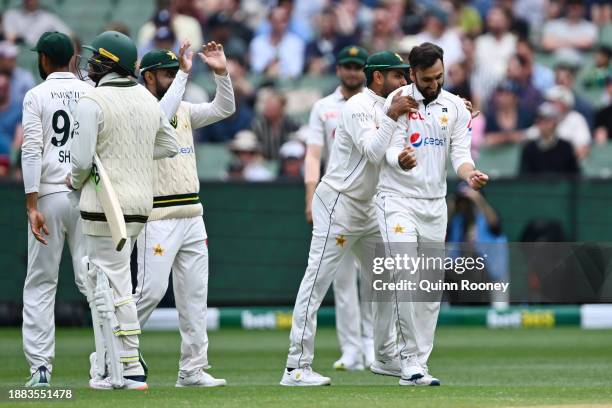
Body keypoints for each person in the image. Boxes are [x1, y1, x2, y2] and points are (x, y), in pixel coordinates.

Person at [281, 50, 416, 386]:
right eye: (398, 76)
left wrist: (401, 159)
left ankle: (384, 357)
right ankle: (295, 367)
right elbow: (371, 149)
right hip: (339, 203)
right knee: (316, 283)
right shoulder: (357, 105)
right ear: (379, 77)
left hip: (368, 207)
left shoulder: (389, 108)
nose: (404, 82)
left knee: (385, 279)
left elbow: (385, 154)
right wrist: (392, 117)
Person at [68, 30, 179, 390]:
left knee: (112, 286)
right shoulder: (148, 100)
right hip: (138, 205)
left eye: (96, 59)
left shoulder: (92, 100)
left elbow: (82, 162)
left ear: (108, 63)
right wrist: (131, 155)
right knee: (109, 284)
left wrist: (74, 180)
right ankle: (105, 365)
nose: (91, 65)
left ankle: (129, 367)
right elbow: (169, 146)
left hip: (103, 206)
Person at [377, 42, 488, 386]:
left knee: (427, 287)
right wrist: (400, 159)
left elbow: (459, 152)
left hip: (434, 204)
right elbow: (389, 148)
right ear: (412, 74)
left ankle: (418, 363)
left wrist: (470, 173)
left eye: (439, 77)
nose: (434, 84)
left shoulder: (455, 106)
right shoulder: (394, 103)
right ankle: (406, 358)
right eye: (427, 79)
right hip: (396, 198)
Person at [135, 40, 234, 387]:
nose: (173, 77)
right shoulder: (140, 110)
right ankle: (109, 356)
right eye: (166, 73)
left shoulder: (187, 110)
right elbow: (161, 117)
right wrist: (185, 74)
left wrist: (221, 73)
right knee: (149, 291)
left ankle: (192, 370)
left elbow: (224, 108)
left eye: (174, 73)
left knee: (195, 296)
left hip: (193, 213)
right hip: (158, 215)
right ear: (147, 77)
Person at [20, 31, 91, 388]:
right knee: (94, 281)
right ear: (73, 59)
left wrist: (32, 205)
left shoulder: (36, 95)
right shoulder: (92, 91)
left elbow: (31, 150)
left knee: (41, 284)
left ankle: (41, 369)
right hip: (87, 196)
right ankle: (114, 362)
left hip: (48, 195)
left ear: (45, 59)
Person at [303, 45, 375, 371]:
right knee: (342, 280)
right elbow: (313, 155)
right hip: (338, 202)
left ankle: (373, 346)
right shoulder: (323, 107)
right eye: (347, 66)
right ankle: (351, 350)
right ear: (338, 70)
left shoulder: (376, 105)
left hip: (371, 200)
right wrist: (310, 199)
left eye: (357, 66)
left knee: (374, 279)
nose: (352, 72)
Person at [520, 102, 579, 175]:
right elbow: (523, 179)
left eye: (547, 121)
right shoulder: (529, 149)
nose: (544, 125)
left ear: (555, 123)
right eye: (540, 121)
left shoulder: (566, 147)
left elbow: (575, 176)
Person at [248, 7, 305, 79]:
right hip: (263, 84)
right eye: (276, 20)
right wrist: (268, 68)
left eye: (283, 20)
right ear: (269, 21)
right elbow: (256, 69)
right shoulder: (257, 43)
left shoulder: (297, 43)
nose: (279, 24)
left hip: (288, 86)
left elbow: (296, 71)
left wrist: (280, 71)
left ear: (288, 21)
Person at [2, 0, 71, 46]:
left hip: (41, 56)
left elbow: (68, 34)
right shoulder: (11, 14)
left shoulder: (49, 17)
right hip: (16, 56)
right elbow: (10, 38)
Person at [0, 71, 22, 176]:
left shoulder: (18, 110)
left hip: (8, 163)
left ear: (8, 88)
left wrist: (11, 163)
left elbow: (18, 140)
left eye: (3, 87)